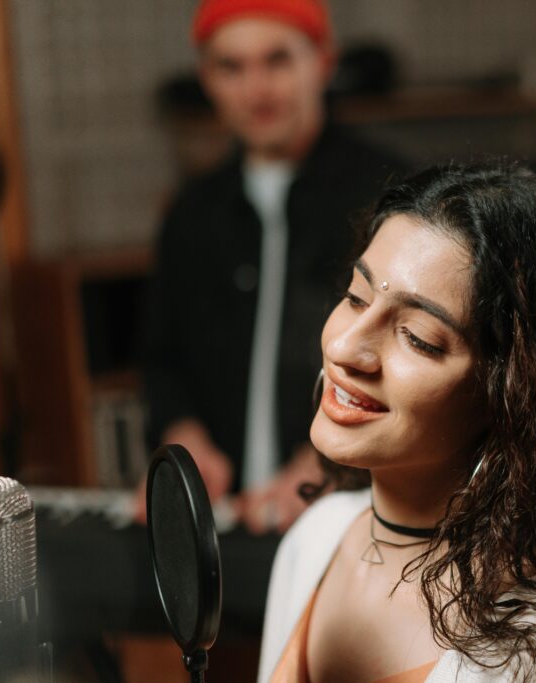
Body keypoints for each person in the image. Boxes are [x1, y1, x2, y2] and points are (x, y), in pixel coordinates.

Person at [257, 162, 536, 682]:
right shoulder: (314, 541)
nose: (346, 348)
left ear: (513, 395)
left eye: (417, 337)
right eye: (355, 298)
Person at [141, 0, 403, 531]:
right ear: (206, 78)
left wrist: (332, 461)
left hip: (358, 517)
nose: (255, 90)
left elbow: (414, 362)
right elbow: (161, 358)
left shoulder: (394, 196)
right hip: (230, 523)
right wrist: (184, 436)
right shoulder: (191, 213)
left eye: (277, 60)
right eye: (231, 67)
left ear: (322, 62)